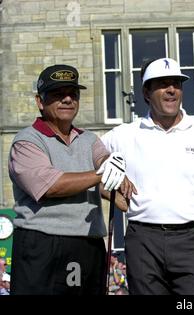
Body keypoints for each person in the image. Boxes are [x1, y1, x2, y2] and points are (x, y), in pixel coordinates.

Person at [101, 57, 194, 295]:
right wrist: (109, 190)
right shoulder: (123, 135)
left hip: (191, 241)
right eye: (162, 84)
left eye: (176, 83)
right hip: (143, 240)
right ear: (146, 92)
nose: (171, 90)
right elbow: (90, 160)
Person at [8, 64, 135, 295]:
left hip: (88, 244)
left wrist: (116, 176)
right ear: (40, 101)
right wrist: (102, 173)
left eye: (72, 94)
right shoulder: (26, 141)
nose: (67, 99)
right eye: (58, 94)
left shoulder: (88, 139)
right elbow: (51, 185)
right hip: (43, 243)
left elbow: (102, 159)